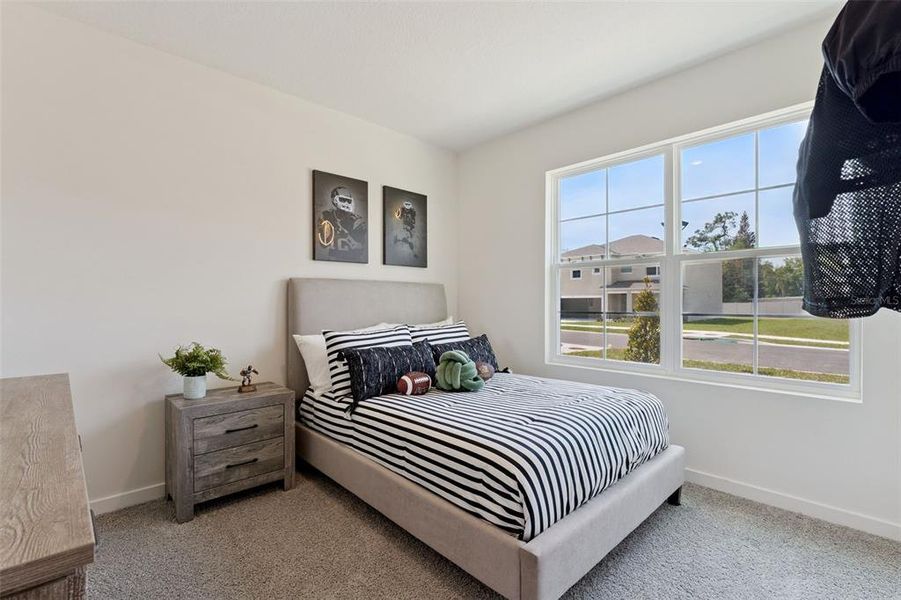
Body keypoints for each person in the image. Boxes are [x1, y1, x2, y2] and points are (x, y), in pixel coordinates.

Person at [317, 186, 366, 261]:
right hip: (332, 260)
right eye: (343, 199)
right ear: (334, 200)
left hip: (353, 261)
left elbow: (359, 248)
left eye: (348, 201)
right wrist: (324, 231)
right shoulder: (326, 215)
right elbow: (323, 244)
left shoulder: (357, 221)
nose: (346, 203)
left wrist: (345, 235)